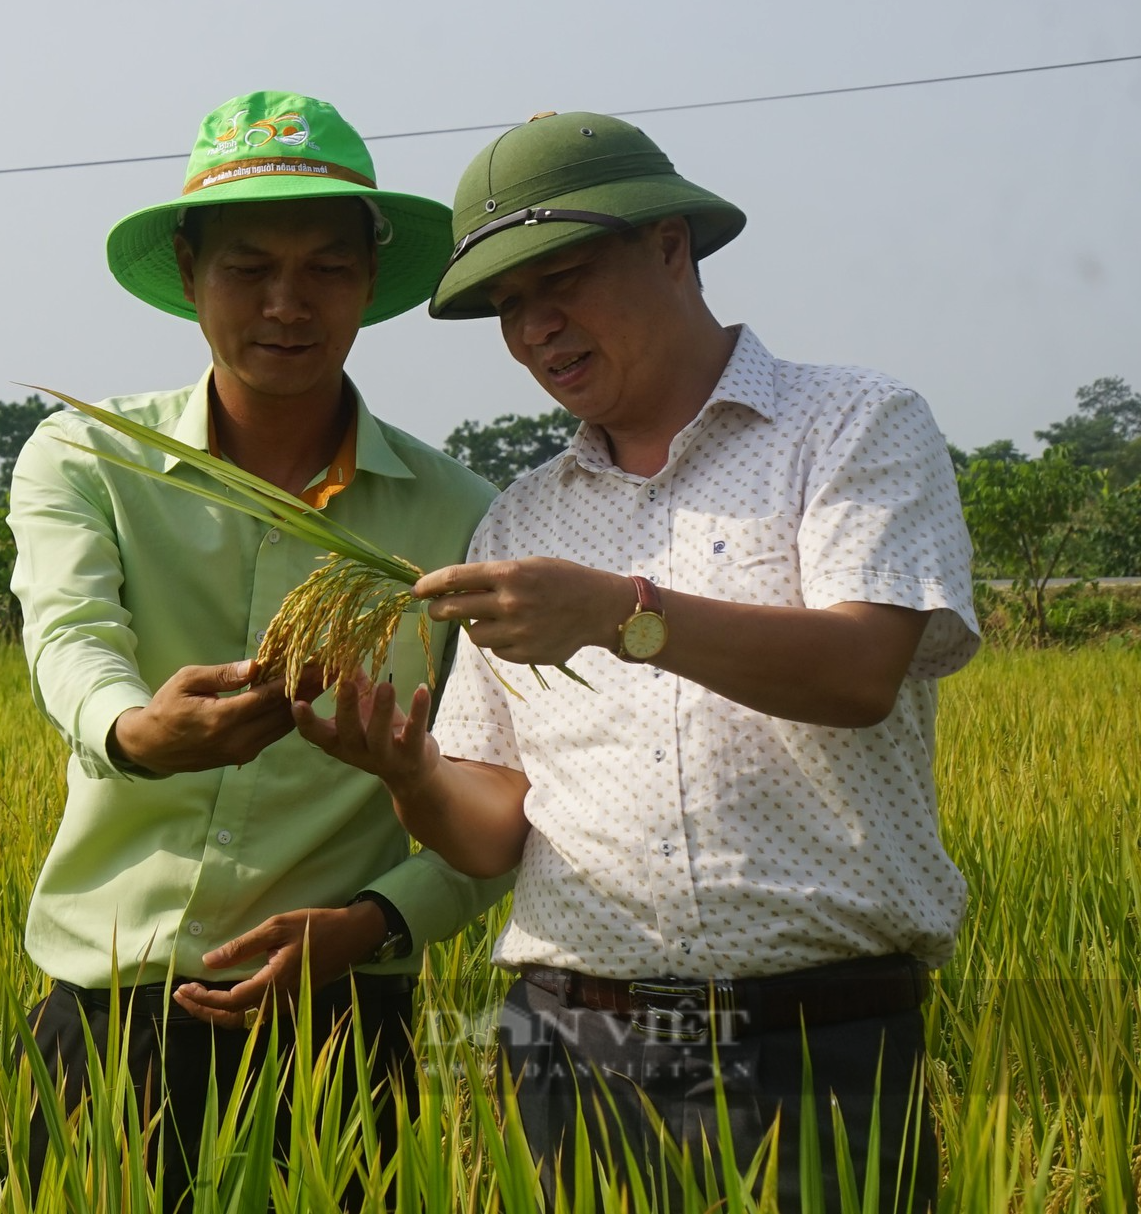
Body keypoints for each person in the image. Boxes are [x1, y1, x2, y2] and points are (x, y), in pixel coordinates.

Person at [293, 111, 979, 1209]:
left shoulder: (847, 425)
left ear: (670, 247)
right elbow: (488, 826)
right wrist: (407, 773)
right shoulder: (520, 519)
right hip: (571, 1047)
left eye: (559, 279)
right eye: (507, 306)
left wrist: (620, 613)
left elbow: (859, 670)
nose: (537, 329)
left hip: (815, 1039)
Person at [7, 89, 509, 1208]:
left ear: (370, 282)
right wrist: (134, 733)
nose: (287, 304)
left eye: (327, 267)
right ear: (188, 275)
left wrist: (380, 923)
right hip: (110, 1017)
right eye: (247, 267)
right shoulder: (87, 457)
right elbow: (70, 637)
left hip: (340, 1021)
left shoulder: (462, 518)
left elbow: (501, 790)